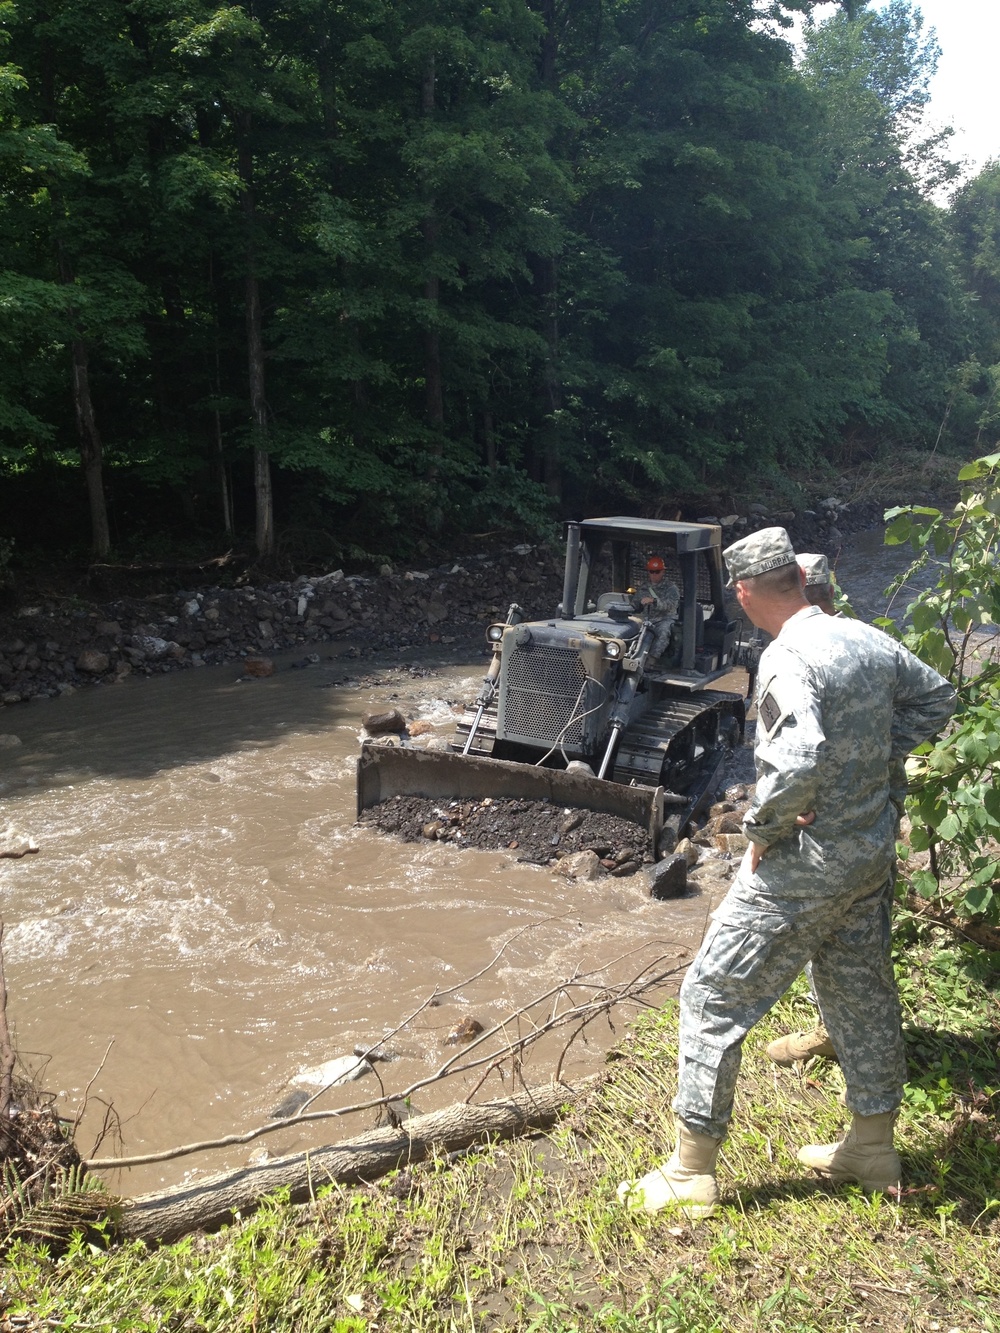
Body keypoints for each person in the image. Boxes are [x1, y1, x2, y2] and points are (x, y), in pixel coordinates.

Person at [619, 527, 955, 1214]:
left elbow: (797, 761)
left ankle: (690, 1173)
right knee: (859, 991)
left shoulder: (787, 656)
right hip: (866, 853)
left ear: (744, 592)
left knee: (711, 995)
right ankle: (871, 1146)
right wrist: (869, 762)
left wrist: (763, 831)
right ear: (797, 581)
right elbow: (937, 699)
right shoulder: (863, 636)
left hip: (804, 865)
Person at [631, 557, 680, 670]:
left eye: (657, 572)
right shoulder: (644, 587)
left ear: (663, 572)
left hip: (664, 619)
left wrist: (654, 601)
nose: (654, 575)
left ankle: (650, 661)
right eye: (651, 572)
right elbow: (635, 604)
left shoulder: (670, 588)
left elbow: (671, 605)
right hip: (646, 618)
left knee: (663, 632)